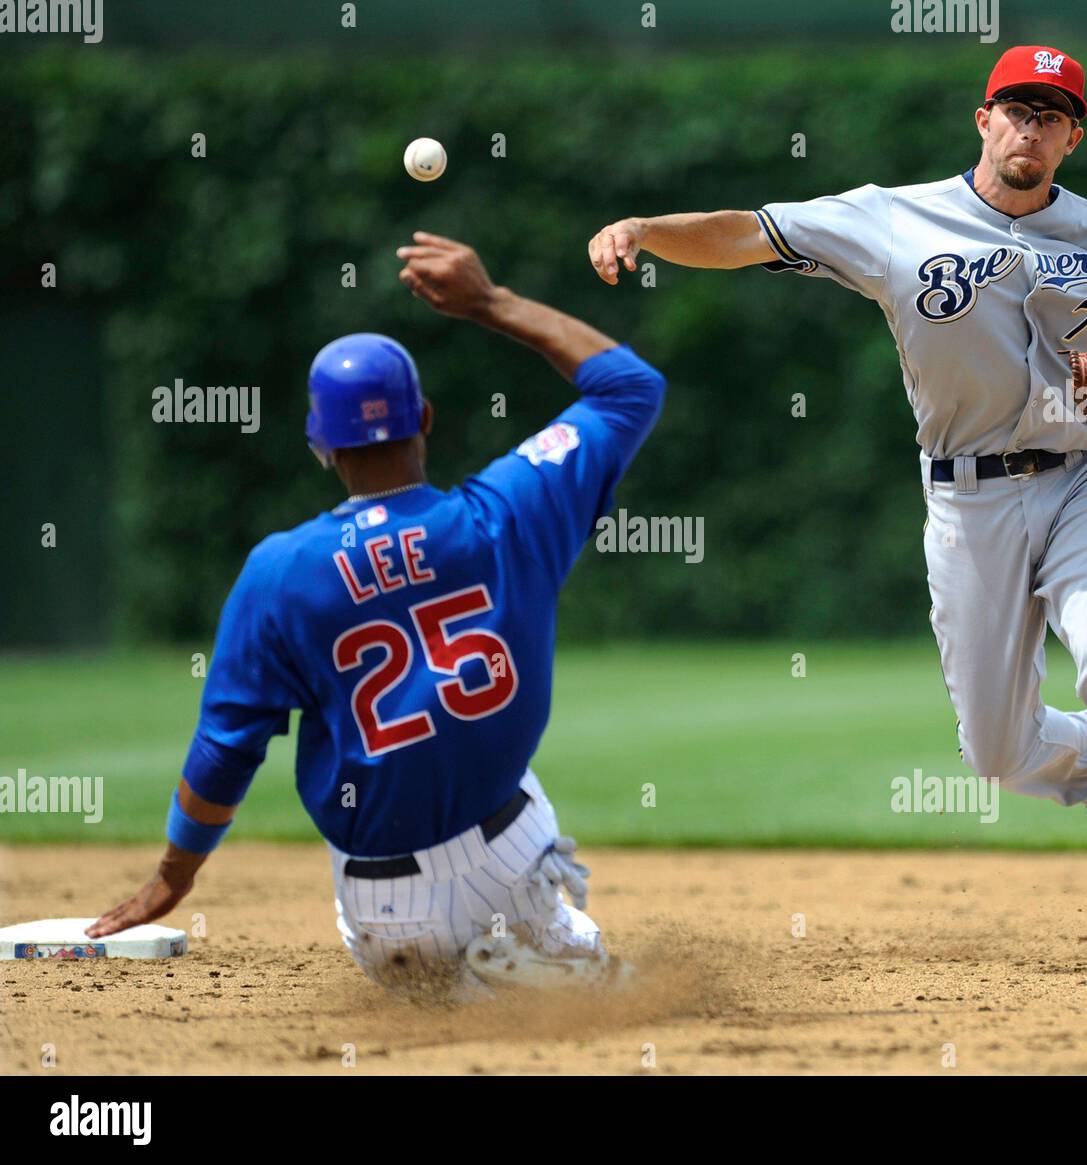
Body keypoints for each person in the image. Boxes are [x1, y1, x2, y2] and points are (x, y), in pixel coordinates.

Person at [585, 44, 1087, 969]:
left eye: (1052, 113)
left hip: (1083, 485)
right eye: (1016, 108)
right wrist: (645, 227)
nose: (1030, 126)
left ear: (1075, 136)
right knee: (996, 751)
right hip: (966, 500)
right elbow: (748, 231)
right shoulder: (892, 219)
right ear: (983, 120)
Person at [89, 234, 667, 993]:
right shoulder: (508, 512)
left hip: (382, 903)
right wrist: (491, 302)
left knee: (427, 975)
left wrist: (171, 879)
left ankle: (449, 975)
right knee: (613, 991)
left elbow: (223, 752)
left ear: (318, 443)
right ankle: (537, 949)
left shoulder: (279, 572)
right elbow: (629, 386)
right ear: (424, 414)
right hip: (507, 857)